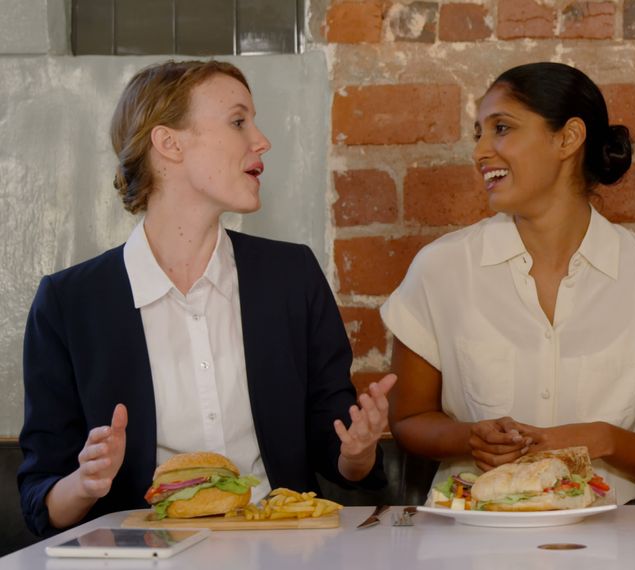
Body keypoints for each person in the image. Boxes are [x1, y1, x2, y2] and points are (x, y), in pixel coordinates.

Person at [18, 60, 396, 537]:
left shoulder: (291, 275)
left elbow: (339, 456)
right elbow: (41, 502)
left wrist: (357, 452)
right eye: (239, 121)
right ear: (168, 143)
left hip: (283, 552)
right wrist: (86, 481)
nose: (261, 140)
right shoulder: (68, 302)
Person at [382, 62, 635, 503]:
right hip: (474, 539)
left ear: (568, 138)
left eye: (501, 128)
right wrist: (469, 438)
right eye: (478, 133)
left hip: (613, 541)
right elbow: (408, 419)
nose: (480, 151)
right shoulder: (441, 268)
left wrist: (602, 438)